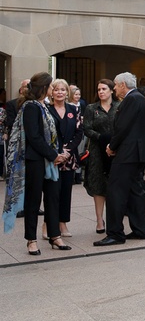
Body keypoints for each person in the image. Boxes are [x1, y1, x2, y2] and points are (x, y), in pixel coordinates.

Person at [3, 72, 72, 254]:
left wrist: (58, 154)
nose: (52, 89)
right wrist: (53, 155)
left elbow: (51, 135)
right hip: (35, 161)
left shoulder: (44, 106)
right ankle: (31, 240)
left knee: (53, 199)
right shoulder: (30, 107)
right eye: (50, 86)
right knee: (33, 201)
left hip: (49, 161)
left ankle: (54, 236)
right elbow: (34, 137)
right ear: (43, 87)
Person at [95, 72, 145, 246]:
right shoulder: (139, 98)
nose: (115, 88)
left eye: (116, 85)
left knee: (115, 193)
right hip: (136, 153)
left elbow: (122, 127)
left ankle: (115, 233)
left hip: (127, 153)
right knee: (135, 192)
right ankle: (140, 229)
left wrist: (112, 146)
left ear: (123, 85)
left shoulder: (132, 99)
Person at [45, 79, 83, 240]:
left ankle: (63, 224)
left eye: (63, 89)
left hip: (69, 158)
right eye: (56, 89)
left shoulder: (73, 109)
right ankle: (47, 225)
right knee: (51, 194)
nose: (60, 92)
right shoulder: (46, 110)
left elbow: (79, 132)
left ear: (67, 92)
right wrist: (56, 153)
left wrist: (68, 151)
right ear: (51, 92)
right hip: (52, 159)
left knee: (66, 193)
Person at [82, 79, 118, 233]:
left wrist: (114, 142)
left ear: (111, 90)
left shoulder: (119, 106)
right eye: (99, 89)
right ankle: (99, 220)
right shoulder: (91, 108)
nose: (101, 92)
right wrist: (102, 138)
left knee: (115, 184)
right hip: (97, 151)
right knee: (98, 185)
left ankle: (115, 218)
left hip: (116, 150)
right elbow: (87, 129)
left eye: (104, 89)